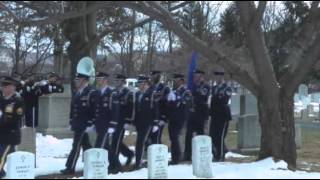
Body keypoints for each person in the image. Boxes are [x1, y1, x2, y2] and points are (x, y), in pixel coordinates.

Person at [60, 72, 96, 175]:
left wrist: (90, 123)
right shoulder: (77, 92)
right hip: (77, 124)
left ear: (84, 81)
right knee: (86, 145)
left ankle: (70, 167)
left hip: (84, 124)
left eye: (78, 80)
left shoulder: (90, 92)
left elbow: (93, 110)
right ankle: (94, 163)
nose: (76, 82)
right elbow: (73, 108)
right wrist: (71, 121)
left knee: (76, 146)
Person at [108, 74, 134, 173]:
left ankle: (114, 164)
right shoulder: (114, 92)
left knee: (115, 142)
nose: (117, 83)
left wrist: (128, 121)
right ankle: (129, 154)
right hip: (114, 121)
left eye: (119, 81)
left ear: (123, 82)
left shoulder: (128, 93)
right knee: (116, 141)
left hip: (122, 121)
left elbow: (130, 109)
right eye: (116, 81)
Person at [0, 76, 24, 178]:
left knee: (2, 155)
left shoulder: (18, 101)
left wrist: (4, 119)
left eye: (6, 86)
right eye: (3, 86)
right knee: (9, 157)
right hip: (1, 133)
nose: (3, 88)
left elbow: (17, 117)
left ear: (12, 87)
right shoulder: (1, 99)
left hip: (10, 134)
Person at [184, 69, 211, 161]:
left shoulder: (205, 86)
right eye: (194, 76)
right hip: (192, 113)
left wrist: (193, 95)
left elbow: (203, 98)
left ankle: (202, 154)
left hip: (201, 113)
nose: (195, 78)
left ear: (201, 77)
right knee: (189, 134)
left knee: (201, 134)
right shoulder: (194, 87)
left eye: (197, 76)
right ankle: (187, 154)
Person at [167, 74, 192, 165]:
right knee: (172, 138)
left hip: (180, 118)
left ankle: (177, 157)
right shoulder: (173, 91)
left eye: (177, 80)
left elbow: (186, 104)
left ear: (181, 81)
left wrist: (176, 100)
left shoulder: (186, 92)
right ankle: (174, 157)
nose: (175, 82)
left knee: (175, 137)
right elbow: (169, 105)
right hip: (172, 118)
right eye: (174, 80)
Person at [134, 75, 157, 170]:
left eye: (141, 83)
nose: (139, 85)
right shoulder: (138, 94)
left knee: (140, 142)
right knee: (146, 142)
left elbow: (155, 109)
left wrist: (155, 122)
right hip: (139, 122)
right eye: (139, 83)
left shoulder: (151, 94)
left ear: (146, 83)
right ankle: (150, 159)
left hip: (148, 122)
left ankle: (137, 164)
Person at [210, 70, 232, 162]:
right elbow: (213, 100)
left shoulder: (227, 88)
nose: (218, 79)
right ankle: (216, 154)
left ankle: (221, 155)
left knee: (220, 136)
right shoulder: (214, 88)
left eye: (219, 77)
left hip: (223, 115)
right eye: (216, 77)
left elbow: (224, 100)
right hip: (214, 115)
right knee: (212, 135)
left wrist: (217, 98)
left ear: (222, 78)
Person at [148, 70, 170, 145]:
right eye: (152, 76)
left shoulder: (165, 88)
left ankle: (158, 154)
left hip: (160, 116)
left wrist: (164, 118)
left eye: (156, 76)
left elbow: (167, 104)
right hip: (151, 116)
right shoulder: (150, 87)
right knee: (149, 136)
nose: (153, 77)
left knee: (157, 136)